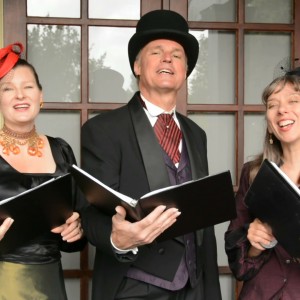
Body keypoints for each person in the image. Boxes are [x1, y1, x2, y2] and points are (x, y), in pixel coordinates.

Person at [81, 9, 221, 300]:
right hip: (135, 285)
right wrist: (117, 238)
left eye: (177, 55)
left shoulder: (197, 134)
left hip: (194, 285)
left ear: (185, 71)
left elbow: (203, 223)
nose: (168, 58)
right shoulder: (103, 129)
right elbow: (89, 212)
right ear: (137, 66)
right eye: (156, 52)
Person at [0, 42, 86, 299]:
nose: (20, 95)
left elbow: (78, 229)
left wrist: (77, 230)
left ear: (41, 95)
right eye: (8, 88)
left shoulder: (62, 150)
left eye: (28, 87)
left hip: (50, 279)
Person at [225, 67, 300, 299]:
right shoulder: (254, 173)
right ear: (269, 123)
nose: (282, 110)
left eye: (294, 100)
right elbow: (239, 267)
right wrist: (257, 242)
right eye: (272, 105)